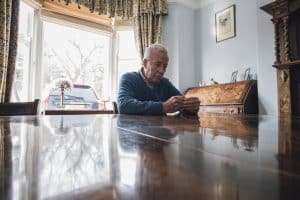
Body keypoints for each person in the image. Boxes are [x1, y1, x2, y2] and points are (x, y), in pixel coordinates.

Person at [117, 43, 200, 115]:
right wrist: (162, 107)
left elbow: (182, 106)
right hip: (134, 132)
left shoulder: (165, 83)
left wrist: (191, 107)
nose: (162, 71)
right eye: (157, 64)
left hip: (160, 132)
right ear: (145, 63)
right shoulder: (128, 78)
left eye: (165, 66)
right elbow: (123, 105)